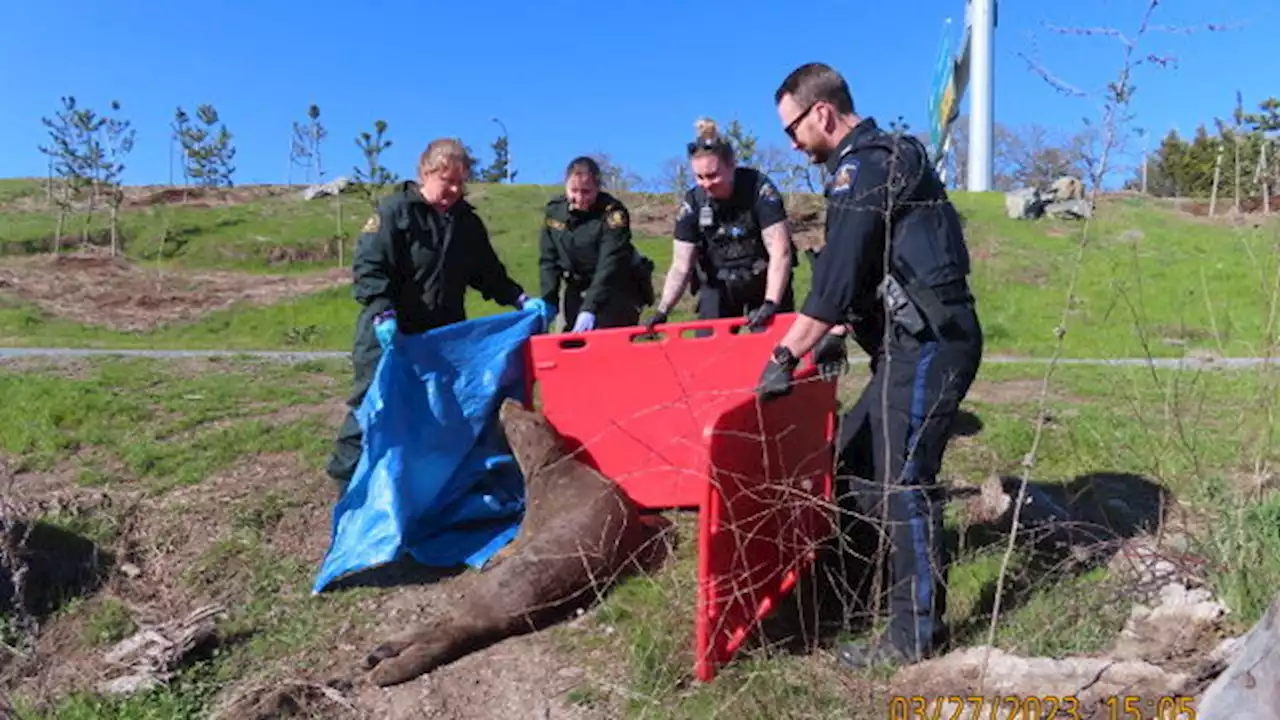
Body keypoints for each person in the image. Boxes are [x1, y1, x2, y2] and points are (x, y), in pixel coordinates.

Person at [757, 62, 984, 670]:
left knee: (905, 481)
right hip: (908, 346)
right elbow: (857, 279)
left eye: (793, 129)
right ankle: (853, 594)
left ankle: (913, 634)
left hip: (931, 344)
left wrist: (785, 355)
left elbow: (832, 282)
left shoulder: (866, 169)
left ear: (823, 113)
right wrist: (831, 332)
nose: (793, 143)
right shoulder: (873, 164)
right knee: (855, 461)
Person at [324, 137, 555, 495]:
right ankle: (346, 488)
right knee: (373, 409)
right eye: (447, 180)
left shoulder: (466, 223)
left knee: (434, 416)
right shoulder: (394, 213)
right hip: (388, 335)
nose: (454, 190)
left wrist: (520, 299)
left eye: (461, 183)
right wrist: (384, 314)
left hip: (438, 340)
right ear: (426, 172)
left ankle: (421, 494)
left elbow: (488, 273)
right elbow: (369, 269)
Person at [644, 117, 796, 333]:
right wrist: (662, 311)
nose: (706, 184)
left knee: (772, 346)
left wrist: (771, 303)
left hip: (764, 279)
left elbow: (780, 251)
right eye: (700, 177)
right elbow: (681, 264)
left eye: (713, 175)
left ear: (731, 165)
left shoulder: (759, 189)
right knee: (708, 345)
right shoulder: (693, 202)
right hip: (719, 283)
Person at [538, 156, 655, 332]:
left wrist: (589, 308)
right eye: (574, 190)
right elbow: (549, 261)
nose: (579, 198)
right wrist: (549, 301)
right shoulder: (555, 212)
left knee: (603, 343)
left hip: (615, 287)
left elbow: (610, 264)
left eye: (586, 192)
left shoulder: (613, 215)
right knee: (568, 341)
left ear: (597, 188)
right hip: (576, 286)